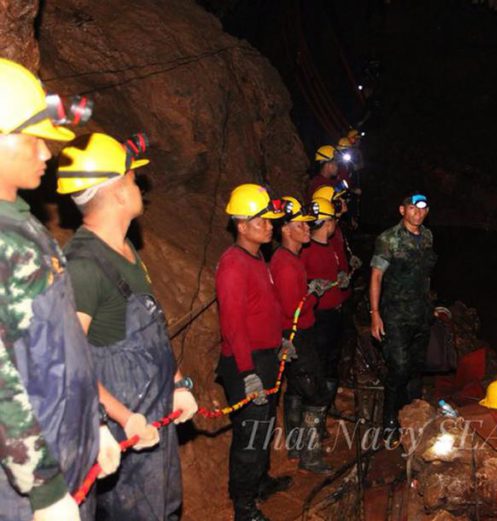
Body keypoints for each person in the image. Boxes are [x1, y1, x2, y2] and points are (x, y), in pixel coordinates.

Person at [0, 58, 120, 521]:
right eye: (35, 141)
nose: (47, 154)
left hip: (67, 447)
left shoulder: (28, 226)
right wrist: (43, 486)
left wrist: (96, 426)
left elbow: (66, 345)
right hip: (22, 487)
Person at [56, 132, 199, 519]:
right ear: (117, 190)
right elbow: (70, 361)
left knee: (164, 509)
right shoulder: (84, 266)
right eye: (133, 179)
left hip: (153, 412)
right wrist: (121, 417)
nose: (139, 187)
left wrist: (177, 382)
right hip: (123, 424)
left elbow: (150, 329)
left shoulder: (126, 250)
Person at [215, 184, 290, 521]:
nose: (270, 225)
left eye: (270, 220)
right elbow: (233, 326)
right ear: (241, 225)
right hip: (246, 362)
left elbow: (265, 308)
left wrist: (280, 339)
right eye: (262, 221)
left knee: (264, 425)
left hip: (266, 354)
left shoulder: (257, 257)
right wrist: (247, 374)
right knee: (250, 434)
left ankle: (259, 483)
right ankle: (244, 506)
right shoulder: (233, 265)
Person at [270, 196, 332, 473]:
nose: (308, 229)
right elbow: (290, 306)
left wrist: (309, 288)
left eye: (308, 225)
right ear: (285, 229)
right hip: (297, 334)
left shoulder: (290, 258)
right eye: (301, 225)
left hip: (297, 332)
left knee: (296, 388)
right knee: (315, 395)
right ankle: (311, 455)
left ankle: (295, 445)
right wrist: (313, 294)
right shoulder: (284, 263)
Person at [369, 193, 437, 441]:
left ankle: (413, 416)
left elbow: (425, 275)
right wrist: (375, 314)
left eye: (423, 209)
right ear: (402, 210)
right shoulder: (388, 239)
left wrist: (432, 305)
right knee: (398, 367)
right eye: (412, 208)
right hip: (395, 314)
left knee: (416, 367)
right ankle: (389, 423)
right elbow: (376, 276)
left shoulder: (428, 236)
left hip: (420, 313)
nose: (418, 213)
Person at [300, 197, 349, 423]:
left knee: (330, 364)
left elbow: (334, 270)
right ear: (327, 223)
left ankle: (324, 411)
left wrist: (342, 277)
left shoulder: (329, 246)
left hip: (333, 314)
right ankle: (312, 418)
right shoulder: (306, 250)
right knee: (317, 368)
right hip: (318, 318)